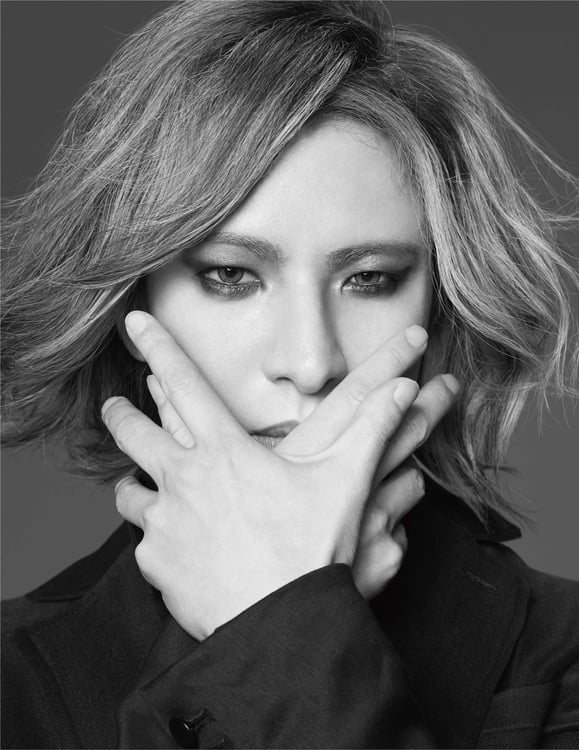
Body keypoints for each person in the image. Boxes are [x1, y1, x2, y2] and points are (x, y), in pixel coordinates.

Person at [2, 1, 578, 748]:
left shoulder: (560, 656)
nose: (310, 365)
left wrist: (277, 616)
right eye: (231, 276)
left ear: (439, 306)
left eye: (370, 279)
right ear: (131, 305)